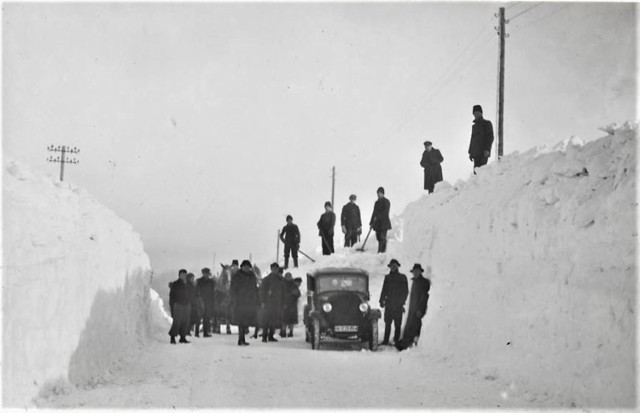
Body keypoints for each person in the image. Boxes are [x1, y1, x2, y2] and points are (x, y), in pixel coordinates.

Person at [395, 264, 431, 351]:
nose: (415, 273)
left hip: (418, 310)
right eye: (414, 272)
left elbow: (424, 297)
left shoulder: (424, 282)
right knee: (409, 327)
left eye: (417, 271)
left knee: (414, 327)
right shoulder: (415, 281)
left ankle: (407, 345)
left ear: (420, 272)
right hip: (412, 309)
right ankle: (404, 343)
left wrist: (420, 310)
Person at [379, 259, 408, 345]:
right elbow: (384, 290)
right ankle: (386, 340)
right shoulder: (387, 277)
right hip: (389, 304)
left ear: (397, 266)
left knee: (397, 324)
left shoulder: (403, 277)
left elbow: (405, 292)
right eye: (391, 266)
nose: (393, 267)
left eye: (394, 266)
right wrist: (381, 300)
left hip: (398, 305)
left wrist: (402, 302)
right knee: (387, 323)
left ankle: (396, 340)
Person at [230, 260, 259, 346]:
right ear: (242, 267)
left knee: (246, 321)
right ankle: (240, 339)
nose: (246, 268)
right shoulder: (237, 276)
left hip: (250, 302)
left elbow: (255, 288)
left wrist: (256, 299)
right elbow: (233, 289)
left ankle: (243, 339)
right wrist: (234, 299)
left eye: (248, 266)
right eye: (245, 266)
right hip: (240, 301)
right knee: (241, 321)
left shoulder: (252, 276)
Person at [259, 263, 286, 342]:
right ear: (271, 269)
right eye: (273, 269)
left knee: (274, 320)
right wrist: (263, 301)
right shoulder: (266, 279)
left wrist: (284, 302)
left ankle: (271, 335)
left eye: (276, 269)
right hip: (268, 303)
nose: (274, 270)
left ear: (278, 269)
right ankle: (264, 336)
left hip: (278, 303)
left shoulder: (281, 280)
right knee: (266, 320)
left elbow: (284, 292)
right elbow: (262, 291)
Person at [468, 104, 494, 173]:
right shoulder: (474, 126)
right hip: (475, 153)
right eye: (474, 113)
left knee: (482, 172)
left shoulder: (487, 123)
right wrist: (470, 152)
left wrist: (487, 149)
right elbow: (472, 140)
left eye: (477, 113)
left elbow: (490, 137)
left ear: (481, 113)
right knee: (476, 172)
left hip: (483, 152)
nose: (475, 115)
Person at [168, 269, 192, 344]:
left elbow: (192, 294)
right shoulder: (176, 284)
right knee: (177, 322)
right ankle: (172, 337)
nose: (183, 276)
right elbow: (172, 296)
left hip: (187, 304)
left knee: (185, 321)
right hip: (178, 304)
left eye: (185, 274)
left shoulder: (188, 284)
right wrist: (172, 306)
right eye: (182, 274)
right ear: (179, 275)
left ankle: (183, 337)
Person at [369, 187, 391, 253]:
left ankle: (382, 251)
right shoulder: (376, 203)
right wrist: (371, 222)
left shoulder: (386, 202)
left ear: (383, 193)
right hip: (377, 224)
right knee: (378, 237)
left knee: (382, 238)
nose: (378, 194)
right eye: (378, 193)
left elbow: (385, 212)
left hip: (384, 223)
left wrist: (378, 217)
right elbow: (374, 212)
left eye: (380, 193)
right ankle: (380, 250)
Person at [196, 267, 216, 337]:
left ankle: (205, 332)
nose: (206, 275)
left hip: (208, 301)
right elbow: (197, 291)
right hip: (201, 300)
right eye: (205, 273)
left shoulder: (211, 282)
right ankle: (196, 332)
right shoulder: (199, 281)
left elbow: (213, 292)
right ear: (203, 273)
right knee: (198, 317)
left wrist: (212, 302)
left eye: (207, 274)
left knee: (206, 318)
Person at [281, 273, 302, 337]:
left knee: (291, 320)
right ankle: (283, 331)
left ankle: (291, 332)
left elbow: (298, 293)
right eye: (287, 276)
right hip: (284, 303)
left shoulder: (293, 284)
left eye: (289, 276)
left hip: (292, 303)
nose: (288, 278)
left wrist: (295, 294)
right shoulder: (282, 284)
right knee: (284, 320)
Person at [186, 273, 203, 337]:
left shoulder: (194, 285)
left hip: (196, 304)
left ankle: (196, 333)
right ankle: (188, 331)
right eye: (192, 278)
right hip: (190, 304)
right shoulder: (187, 285)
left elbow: (198, 292)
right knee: (191, 320)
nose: (193, 279)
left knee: (197, 319)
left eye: (193, 278)